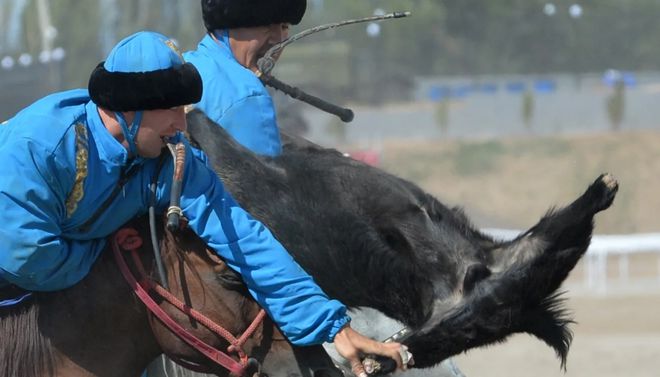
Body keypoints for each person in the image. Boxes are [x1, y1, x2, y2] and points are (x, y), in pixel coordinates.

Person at [0, 31, 409, 376]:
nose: (182, 124)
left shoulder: (169, 159)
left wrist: (331, 326)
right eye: (171, 110)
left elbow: (244, 238)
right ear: (128, 112)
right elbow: (25, 254)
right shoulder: (39, 147)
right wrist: (101, 251)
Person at [183, 0, 307, 157]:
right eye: (265, 24)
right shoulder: (246, 98)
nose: (278, 40)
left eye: (284, 26)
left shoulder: (188, 63)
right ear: (228, 20)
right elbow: (265, 181)